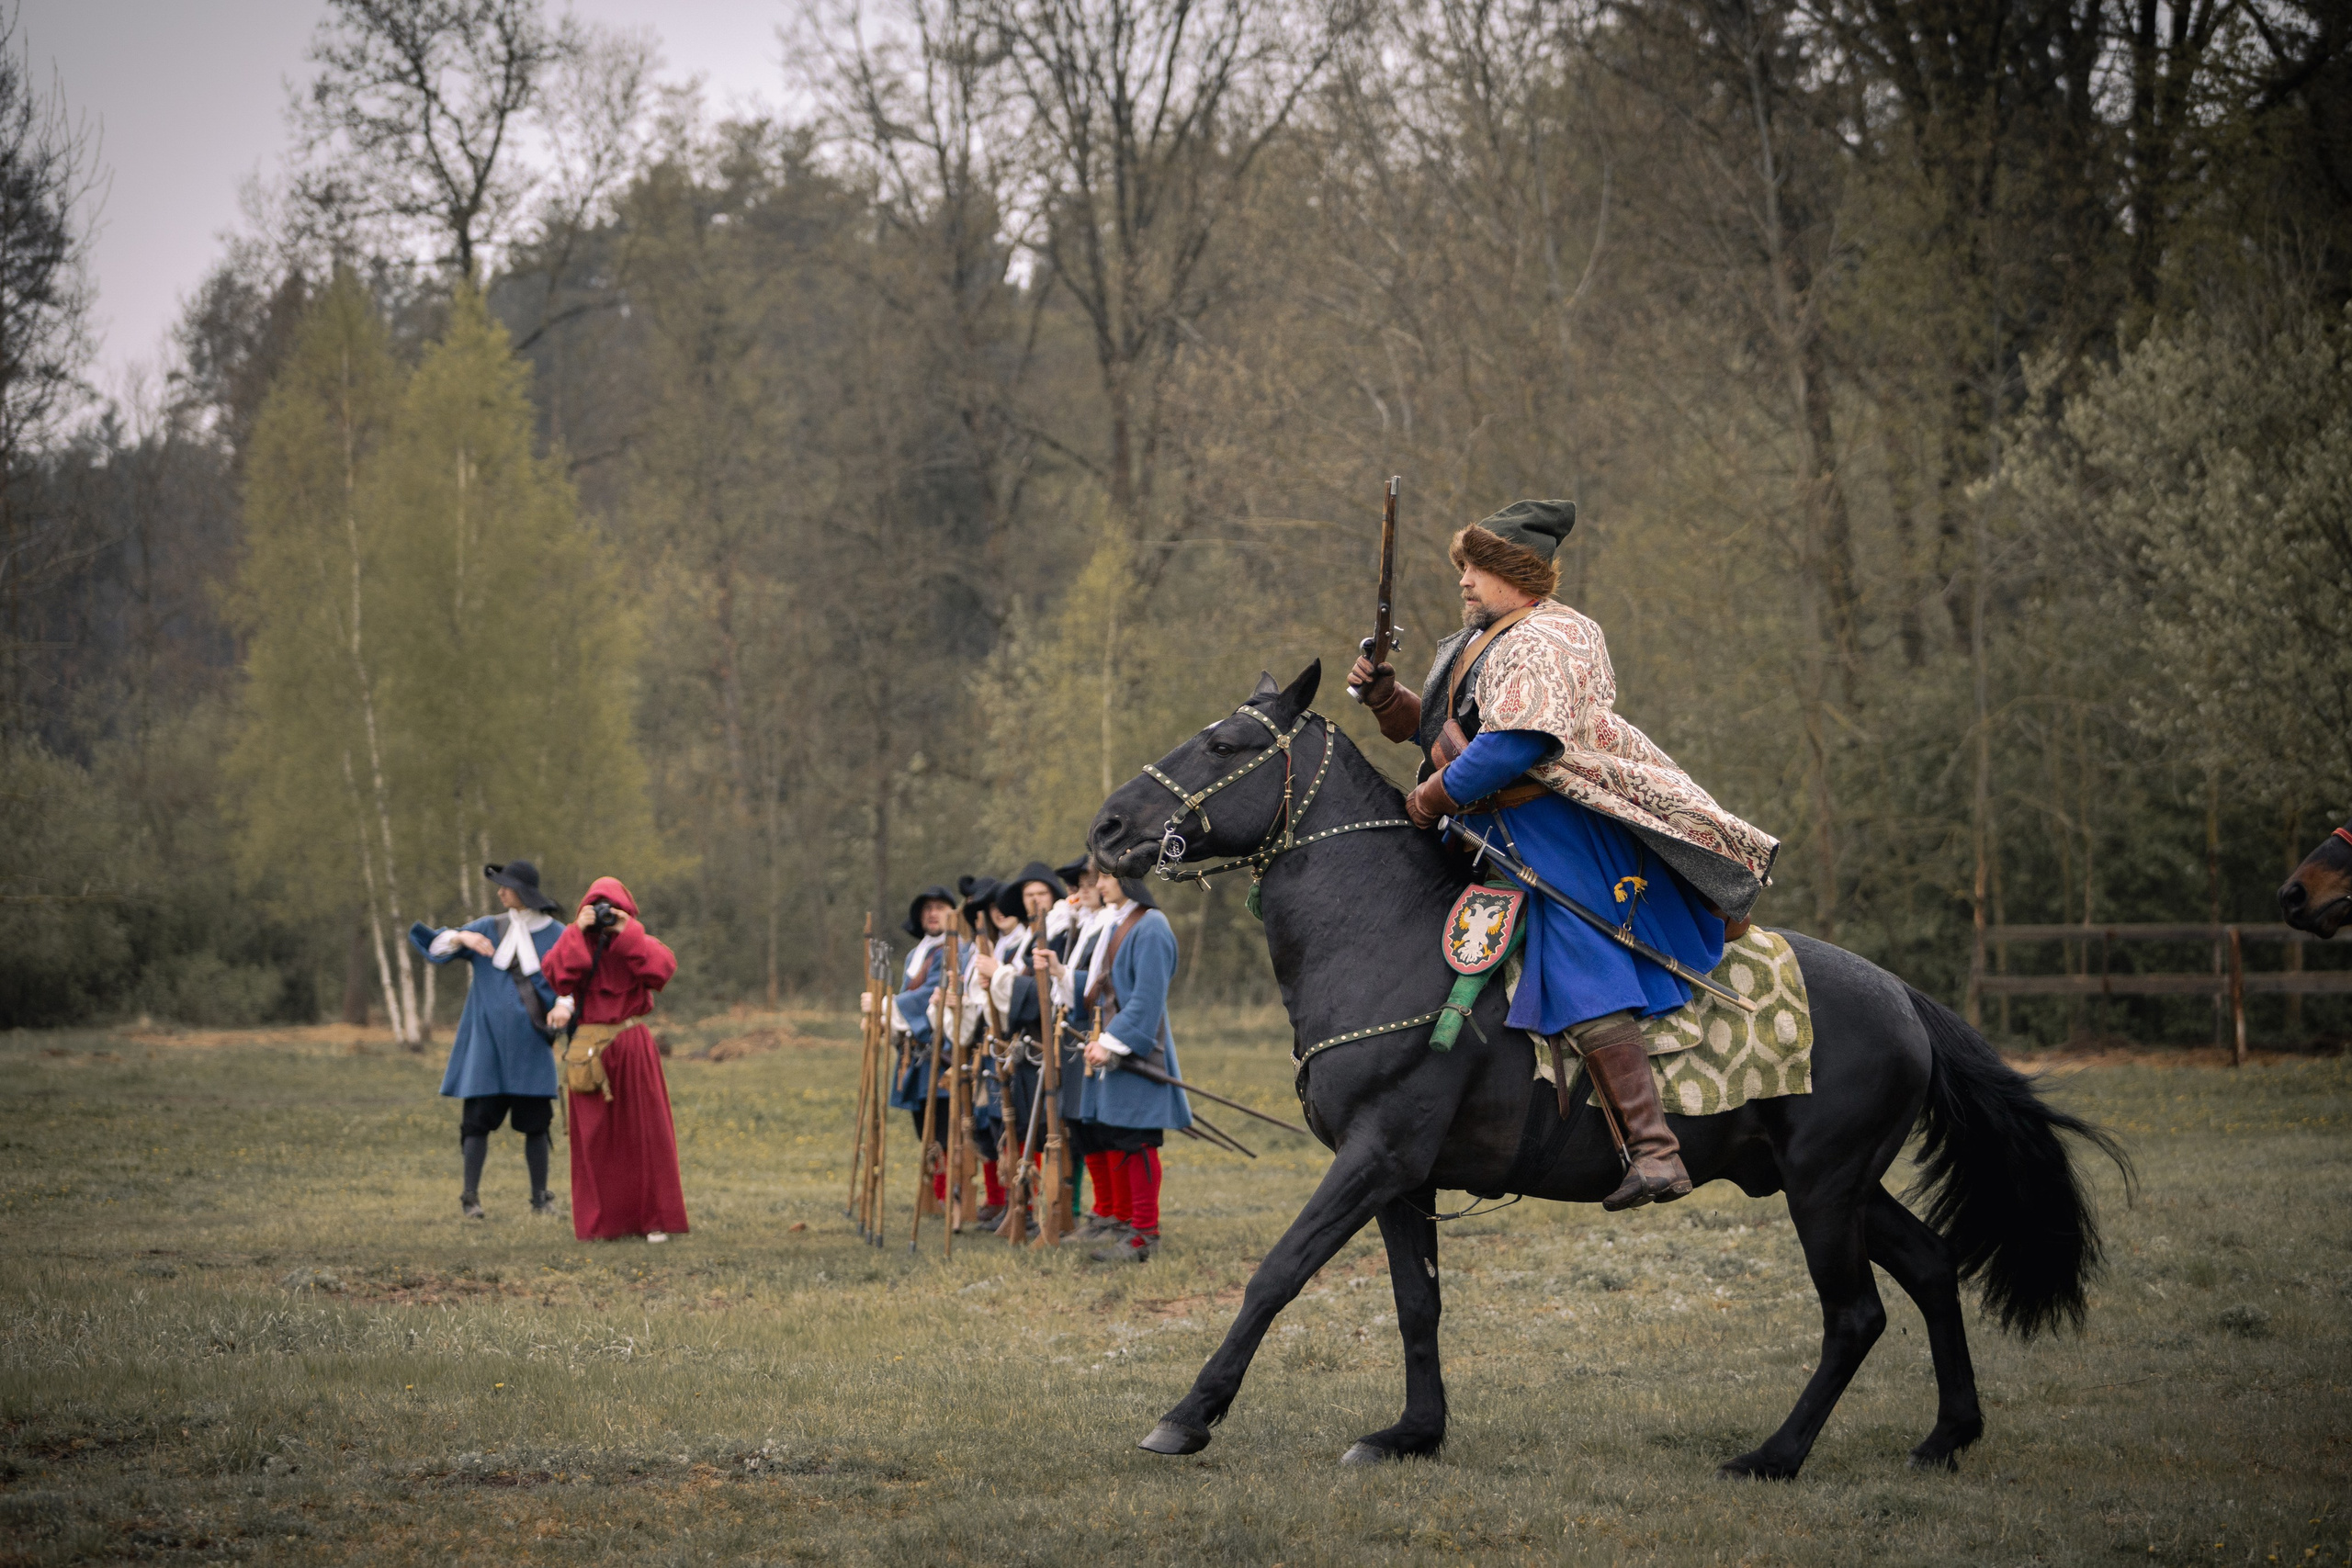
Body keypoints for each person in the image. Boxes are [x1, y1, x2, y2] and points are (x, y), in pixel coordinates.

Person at [1347, 499, 1779, 1211]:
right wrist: (1386, 695)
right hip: (1490, 828)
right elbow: (1437, 733)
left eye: (1476, 567)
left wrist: (1426, 802)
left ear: (1515, 571)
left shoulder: (1553, 636)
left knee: (1580, 966)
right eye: (1463, 567)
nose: (1463, 581)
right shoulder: (1478, 639)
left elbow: (1517, 744)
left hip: (1559, 828)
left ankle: (1655, 1149)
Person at [410, 862, 567, 1220]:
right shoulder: (486, 928)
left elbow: (572, 979)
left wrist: (564, 1006)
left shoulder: (558, 934)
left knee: (537, 1124)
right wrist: (461, 937)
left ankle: (540, 1199)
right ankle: (470, 1199)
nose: (500, 892)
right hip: (486, 1047)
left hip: (531, 1045)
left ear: (524, 892)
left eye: (506, 886)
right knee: (477, 1123)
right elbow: (434, 947)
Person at [543, 877, 687, 1243]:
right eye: (598, 907)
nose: (606, 915)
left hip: (631, 1041)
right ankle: (601, 1223)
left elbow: (662, 971)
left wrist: (628, 931)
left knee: (646, 1132)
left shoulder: (635, 942)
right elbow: (557, 978)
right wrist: (578, 931)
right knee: (593, 1137)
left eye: (612, 908)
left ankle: (653, 1219)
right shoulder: (577, 943)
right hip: (591, 1048)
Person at [1073, 872, 1191, 1262]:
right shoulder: (1118, 922)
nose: (1099, 885)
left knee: (1138, 1139)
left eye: (1105, 876)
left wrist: (1111, 1041)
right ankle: (1129, 1226)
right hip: (1116, 1048)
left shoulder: (1151, 926)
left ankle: (1145, 1235)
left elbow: (1147, 998)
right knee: (1119, 1134)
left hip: (1139, 1048)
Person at [888, 886, 960, 1206]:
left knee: (945, 1126)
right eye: (927, 908)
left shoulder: (956, 949)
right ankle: (936, 1193)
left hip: (944, 1053)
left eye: (940, 907)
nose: (932, 913)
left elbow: (928, 994)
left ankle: (950, 1195)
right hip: (916, 1054)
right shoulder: (916, 955)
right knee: (925, 1127)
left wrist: (887, 1008)